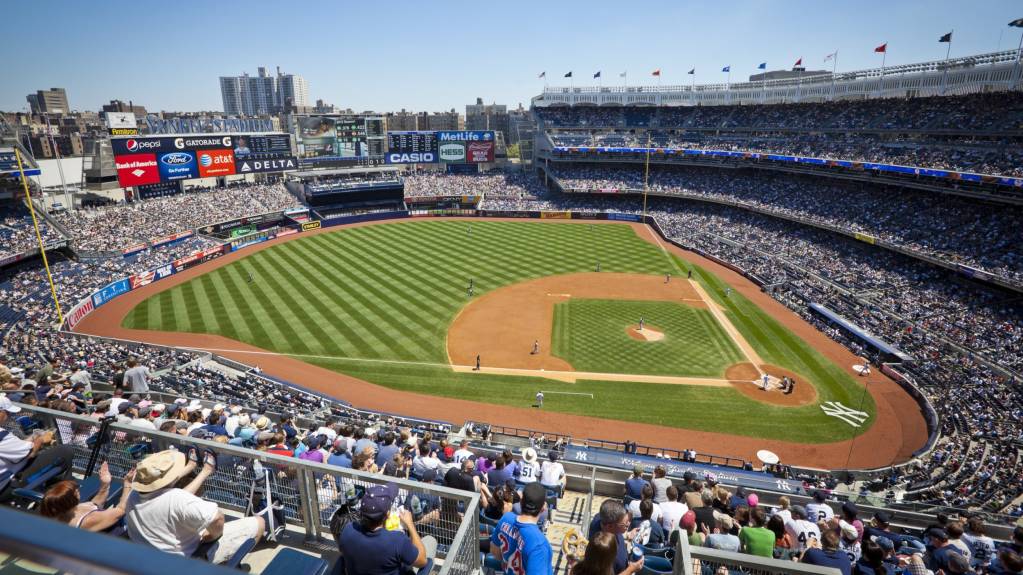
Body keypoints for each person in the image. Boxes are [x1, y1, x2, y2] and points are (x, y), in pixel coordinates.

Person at [125, 449, 265, 563]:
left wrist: (197, 470)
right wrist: (211, 536)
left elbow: (169, 498)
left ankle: (205, 471)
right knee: (259, 522)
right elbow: (218, 518)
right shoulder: (177, 499)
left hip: (149, 557)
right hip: (188, 560)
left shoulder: (133, 495)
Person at [338, 483, 435, 575]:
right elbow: (422, 561)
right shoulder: (397, 540)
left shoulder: (348, 530)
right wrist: (410, 524)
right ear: (388, 514)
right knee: (430, 544)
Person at [0, 395, 74, 501]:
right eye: (7, 413)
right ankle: (63, 496)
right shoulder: (2, 435)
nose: (9, 416)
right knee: (65, 451)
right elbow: (30, 453)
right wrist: (42, 439)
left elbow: (15, 447)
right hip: (6, 486)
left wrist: (34, 437)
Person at [41, 461, 135, 531]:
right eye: (75, 490)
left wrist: (105, 484)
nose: (78, 489)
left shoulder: (65, 511)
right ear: (69, 500)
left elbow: (95, 504)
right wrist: (128, 484)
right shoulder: (89, 520)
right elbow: (121, 510)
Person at [490, 482, 553, 575]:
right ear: (543, 508)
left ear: (521, 502)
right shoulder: (540, 545)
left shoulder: (506, 518)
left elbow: (495, 552)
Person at [587, 499, 642, 575]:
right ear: (610, 526)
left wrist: (627, 534)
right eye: (624, 524)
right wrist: (630, 570)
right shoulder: (602, 548)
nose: (628, 525)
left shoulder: (601, 518)